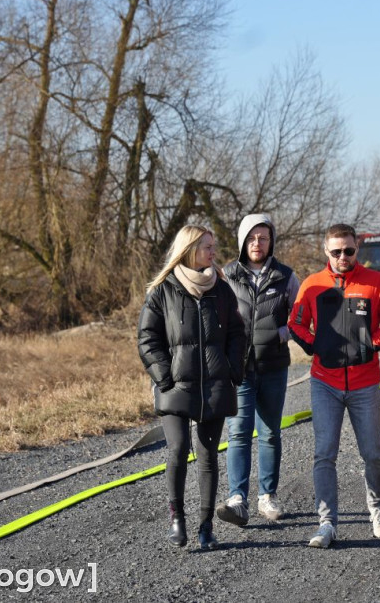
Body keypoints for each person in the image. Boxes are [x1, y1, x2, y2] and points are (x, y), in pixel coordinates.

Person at [289, 223, 380, 548]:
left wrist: (373, 344)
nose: (343, 256)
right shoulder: (312, 284)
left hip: (364, 383)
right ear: (326, 251)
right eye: (337, 251)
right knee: (324, 454)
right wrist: (316, 346)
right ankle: (326, 523)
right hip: (324, 383)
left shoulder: (375, 282)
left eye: (349, 251)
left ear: (357, 249)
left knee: (374, 454)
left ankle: (376, 505)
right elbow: (295, 322)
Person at [137, 225, 246, 550]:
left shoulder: (221, 289)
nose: (214, 252)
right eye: (207, 247)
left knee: (208, 455)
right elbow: (147, 338)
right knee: (178, 449)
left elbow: (237, 333)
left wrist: (232, 370)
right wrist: (164, 376)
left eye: (213, 246)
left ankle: (205, 527)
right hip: (174, 386)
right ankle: (177, 519)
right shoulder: (163, 291)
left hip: (215, 386)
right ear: (189, 250)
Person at [217, 214, 301, 527]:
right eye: (252, 238)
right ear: (243, 241)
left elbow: (301, 316)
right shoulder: (227, 276)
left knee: (269, 433)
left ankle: (268, 495)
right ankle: (237, 498)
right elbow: (215, 316)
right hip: (238, 370)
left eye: (263, 238)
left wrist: (281, 334)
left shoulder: (286, 276)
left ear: (271, 242)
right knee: (238, 431)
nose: (257, 243)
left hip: (274, 367)